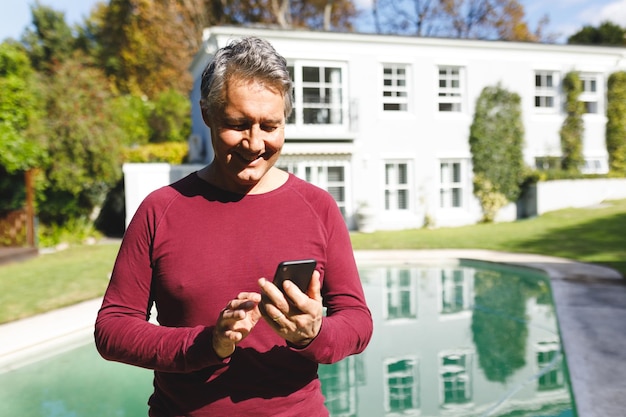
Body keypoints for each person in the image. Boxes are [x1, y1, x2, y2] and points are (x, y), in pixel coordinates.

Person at [94, 36, 373, 417]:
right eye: (238, 124)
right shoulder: (160, 210)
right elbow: (112, 330)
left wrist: (315, 334)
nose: (255, 143)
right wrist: (209, 343)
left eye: (270, 126)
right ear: (207, 113)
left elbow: (358, 321)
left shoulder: (318, 207)